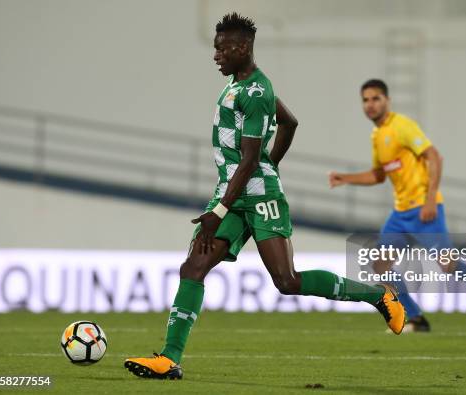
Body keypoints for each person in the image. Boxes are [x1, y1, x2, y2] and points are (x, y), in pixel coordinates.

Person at [124, 14, 404, 380]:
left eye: (222, 48)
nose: (215, 56)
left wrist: (226, 203)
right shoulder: (240, 86)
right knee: (193, 267)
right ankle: (169, 358)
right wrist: (266, 166)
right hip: (235, 192)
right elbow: (289, 122)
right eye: (216, 48)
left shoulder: (256, 93)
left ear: (242, 48)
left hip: (257, 199)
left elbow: (250, 158)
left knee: (287, 281)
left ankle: (378, 296)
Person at [329, 79, 466, 334]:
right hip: (400, 214)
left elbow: (434, 156)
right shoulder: (377, 135)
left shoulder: (402, 126)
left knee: (448, 265)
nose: (370, 104)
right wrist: (346, 178)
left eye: (376, 98)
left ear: (387, 100)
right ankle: (416, 318)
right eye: (365, 100)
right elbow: (378, 175)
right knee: (380, 265)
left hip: (423, 210)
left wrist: (430, 198)